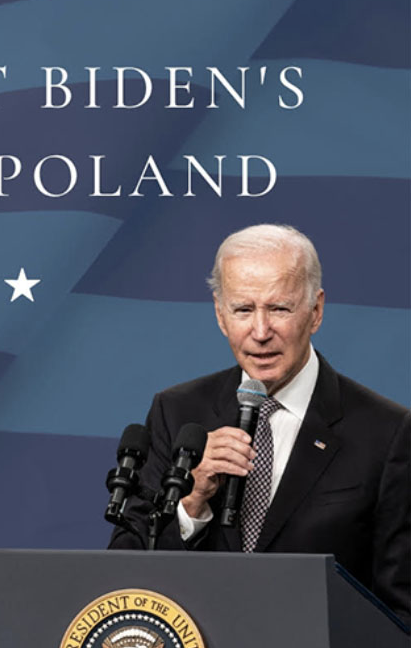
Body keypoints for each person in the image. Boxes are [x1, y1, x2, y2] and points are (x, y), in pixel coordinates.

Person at [108, 224, 410, 625]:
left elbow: (401, 612)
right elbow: (125, 572)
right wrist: (191, 501)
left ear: (315, 311)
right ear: (220, 314)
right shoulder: (178, 412)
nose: (261, 332)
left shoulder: (387, 431)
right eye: (244, 310)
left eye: (279, 309)